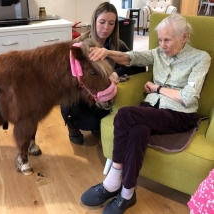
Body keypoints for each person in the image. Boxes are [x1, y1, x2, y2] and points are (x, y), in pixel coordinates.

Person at [81, 14, 211, 214]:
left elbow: (189, 97)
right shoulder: (158, 53)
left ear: (184, 37)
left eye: (167, 39)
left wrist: (157, 88)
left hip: (179, 115)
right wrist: (106, 51)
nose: (162, 45)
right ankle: (127, 192)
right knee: (137, 131)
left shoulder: (200, 58)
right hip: (151, 110)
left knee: (125, 115)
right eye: (160, 39)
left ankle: (113, 179)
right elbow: (131, 57)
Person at [61, 2, 146, 145]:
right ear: (94, 21)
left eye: (111, 23)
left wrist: (115, 74)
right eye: (102, 22)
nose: (106, 28)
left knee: (110, 116)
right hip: (81, 97)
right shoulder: (78, 46)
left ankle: (97, 125)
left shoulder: (118, 46)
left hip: (104, 96)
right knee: (91, 121)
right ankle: (72, 124)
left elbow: (138, 67)